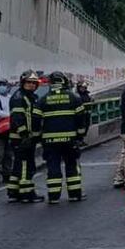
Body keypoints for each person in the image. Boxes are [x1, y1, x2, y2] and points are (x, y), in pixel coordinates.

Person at [35, 71, 89, 204]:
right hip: (70, 140)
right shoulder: (74, 98)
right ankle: (75, 194)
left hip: (50, 141)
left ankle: (53, 196)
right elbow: (82, 119)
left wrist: (37, 137)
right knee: (71, 166)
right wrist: (80, 135)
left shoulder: (42, 100)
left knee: (53, 167)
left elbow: (36, 121)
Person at [8, 70, 44, 204]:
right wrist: (24, 135)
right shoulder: (19, 97)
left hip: (28, 137)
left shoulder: (31, 97)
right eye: (29, 82)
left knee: (19, 164)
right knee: (26, 166)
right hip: (21, 138)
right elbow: (18, 118)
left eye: (34, 83)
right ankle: (26, 193)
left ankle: (13, 191)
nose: (32, 85)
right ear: (23, 83)